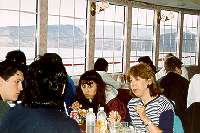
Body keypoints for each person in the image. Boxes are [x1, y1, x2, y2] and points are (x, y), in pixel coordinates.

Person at [0, 53, 80, 133]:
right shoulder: (68, 126)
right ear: (63, 89)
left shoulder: (12, 114)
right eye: (17, 81)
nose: (21, 88)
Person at [127, 63, 174, 132]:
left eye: (137, 79)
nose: (133, 84)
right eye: (131, 81)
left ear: (149, 81)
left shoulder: (163, 104)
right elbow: (128, 126)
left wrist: (144, 118)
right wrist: (117, 122)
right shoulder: (132, 103)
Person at [158, 56, 189, 128]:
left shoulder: (158, 82)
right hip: (181, 120)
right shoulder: (185, 83)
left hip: (160, 119)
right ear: (177, 69)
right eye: (180, 69)